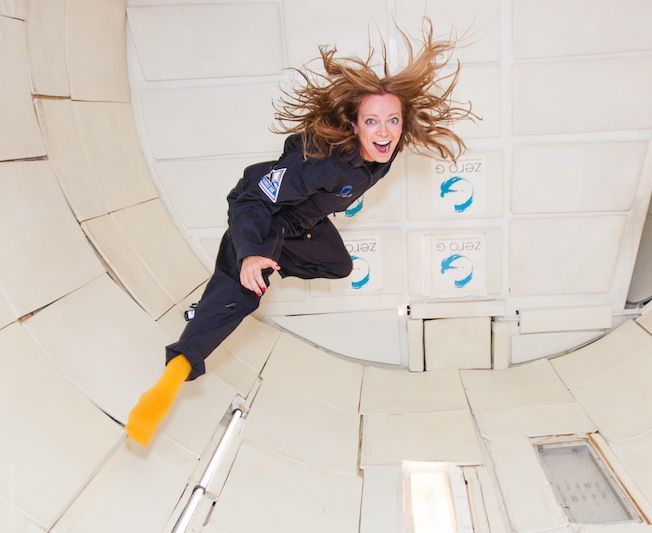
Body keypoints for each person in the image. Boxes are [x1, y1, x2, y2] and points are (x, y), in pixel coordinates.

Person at [126, 24, 477, 446]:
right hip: (267, 219)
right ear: (354, 125)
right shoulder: (324, 164)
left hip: (301, 226)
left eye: (391, 121)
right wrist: (253, 253)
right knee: (241, 295)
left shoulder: (386, 151)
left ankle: (245, 275)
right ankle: (178, 366)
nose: (384, 132)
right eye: (372, 122)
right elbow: (252, 195)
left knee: (338, 265)